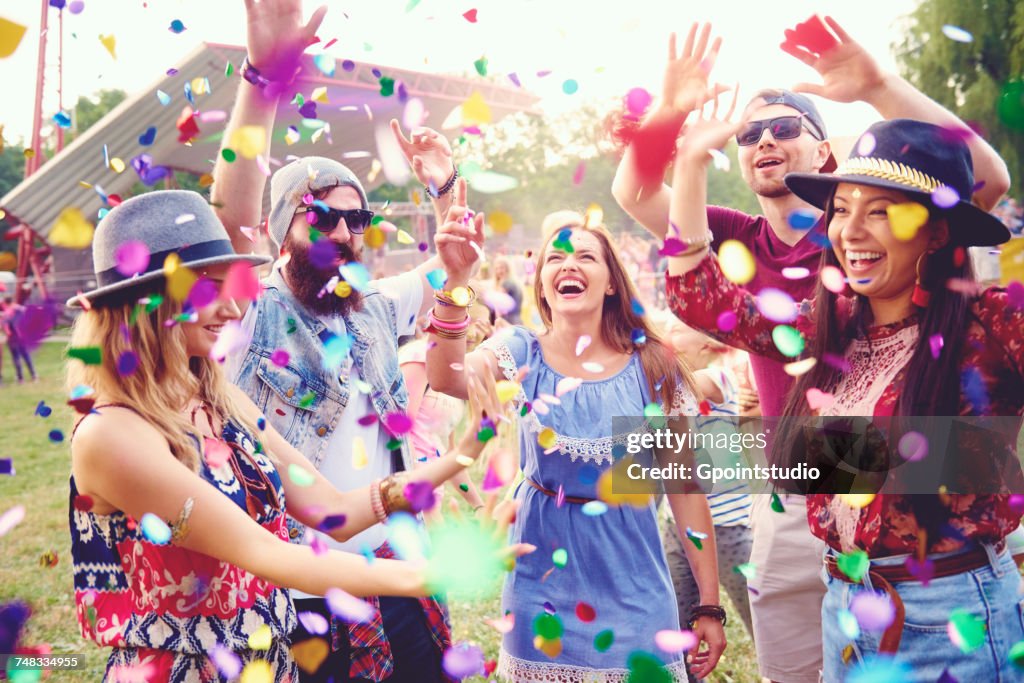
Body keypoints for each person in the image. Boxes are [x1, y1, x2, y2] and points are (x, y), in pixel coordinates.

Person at [611, 19, 1012, 683]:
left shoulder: (935, 291)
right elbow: (656, 226)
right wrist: (674, 128)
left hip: (940, 557)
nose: (763, 138)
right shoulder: (761, 260)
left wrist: (880, 88)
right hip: (805, 493)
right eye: (747, 133)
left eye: (785, 127)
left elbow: (983, 179)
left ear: (824, 152)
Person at [65, 190, 525, 681]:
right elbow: (268, 555)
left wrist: (462, 455)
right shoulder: (110, 432)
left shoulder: (218, 400)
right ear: (146, 303)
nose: (233, 307)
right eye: (208, 289)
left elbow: (336, 512)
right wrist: (434, 575)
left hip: (268, 662)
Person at [210, 2, 492, 679]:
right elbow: (230, 222)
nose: (342, 232)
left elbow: (452, 258)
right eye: (321, 217)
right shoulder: (250, 312)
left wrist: (448, 186)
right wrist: (262, 80)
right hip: (301, 587)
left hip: (400, 566)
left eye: (355, 218)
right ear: (281, 229)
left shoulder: (374, 305)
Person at [427, 204, 727, 681]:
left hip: (635, 585)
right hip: (541, 585)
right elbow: (446, 376)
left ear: (611, 281)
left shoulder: (652, 367)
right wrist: (458, 278)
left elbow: (685, 492)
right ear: (543, 283)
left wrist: (709, 605)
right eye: (554, 259)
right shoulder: (522, 353)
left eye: (585, 256)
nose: (568, 265)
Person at [661, 318, 756, 666]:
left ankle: (784, 666)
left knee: (760, 616)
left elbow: (689, 385)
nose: (667, 334)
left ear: (707, 343)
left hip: (728, 530)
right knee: (678, 624)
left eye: (677, 328)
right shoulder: (669, 392)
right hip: (678, 529)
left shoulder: (720, 378)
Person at [2, 298, 38, 383]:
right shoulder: (19, 311)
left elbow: (7, 330)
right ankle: (34, 375)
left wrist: (7, 333)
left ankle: (20, 378)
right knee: (26, 356)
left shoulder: (7, 314)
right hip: (22, 338)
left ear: (6, 303)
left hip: (13, 339)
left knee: (16, 358)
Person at [490, 256, 523, 325]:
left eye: (501, 268)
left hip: (507, 322)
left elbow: (500, 308)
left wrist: (497, 323)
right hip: (516, 322)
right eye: (497, 268)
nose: (499, 271)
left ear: (507, 269)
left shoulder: (506, 283)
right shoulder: (514, 282)